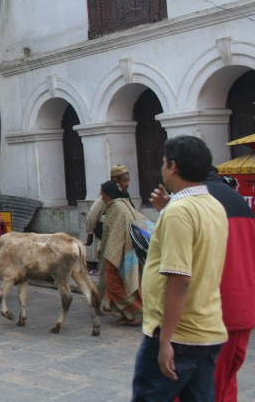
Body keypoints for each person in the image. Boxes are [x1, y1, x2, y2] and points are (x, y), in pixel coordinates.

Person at [132, 135, 228, 401]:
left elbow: (180, 279)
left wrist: (165, 341)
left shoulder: (181, 211)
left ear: (172, 166)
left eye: (164, 162)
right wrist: (166, 209)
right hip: (206, 328)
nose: (163, 167)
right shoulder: (212, 206)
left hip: (179, 334)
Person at [151, 168, 255, 402]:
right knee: (225, 385)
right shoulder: (238, 200)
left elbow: (179, 275)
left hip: (203, 317)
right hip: (242, 311)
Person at [98, 180, 147, 327]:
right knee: (125, 284)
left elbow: (116, 232)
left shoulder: (117, 207)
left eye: (102, 194)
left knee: (115, 285)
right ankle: (129, 315)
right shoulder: (120, 204)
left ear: (107, 194)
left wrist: (108, 250)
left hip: (122, 252)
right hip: (127, 250)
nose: (101, 196)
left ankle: (141, 311)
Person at [85, 164, 131, 299]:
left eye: (128, 180)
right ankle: (97, 302)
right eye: (125, 181)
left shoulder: (124, 196)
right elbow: (92, 216)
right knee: (105, 274)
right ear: (115, 181)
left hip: (123, 241)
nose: (128, 184)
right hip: (107, 241)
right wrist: (89, 236)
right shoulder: (104, 198)